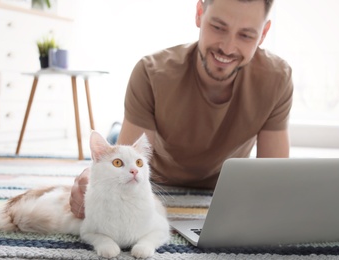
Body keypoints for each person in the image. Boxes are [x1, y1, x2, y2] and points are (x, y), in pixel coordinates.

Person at [70, 0, 293, 218]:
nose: (227, 47)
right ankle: (116, 130)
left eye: (246, 35)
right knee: (117, 142)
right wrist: (92, 185)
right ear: (199, 13)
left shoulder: (277, 79)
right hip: (157, 174)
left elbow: (273, 182)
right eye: (218, 27)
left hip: (222, 181)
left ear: (263, 33)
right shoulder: (150, 72)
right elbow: (125, 166)